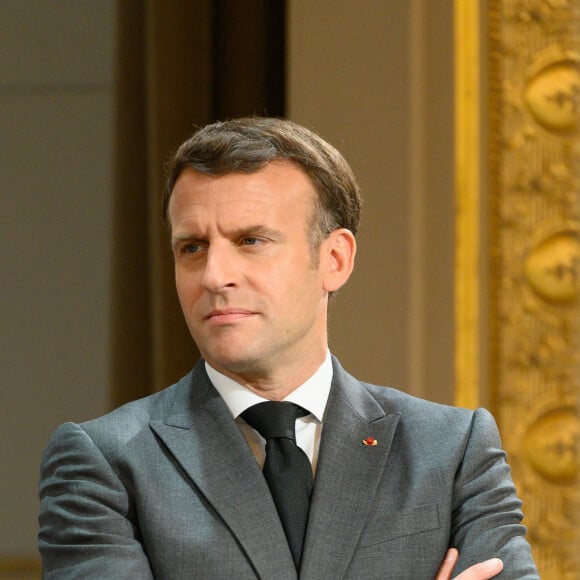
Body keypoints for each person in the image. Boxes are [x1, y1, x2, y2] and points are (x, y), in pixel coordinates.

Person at [38, 117, 539, 579]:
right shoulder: (104, 462)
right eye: (192, 247)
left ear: (335, 260)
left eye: (251, 240)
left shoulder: (451, 450)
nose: (214, 276)